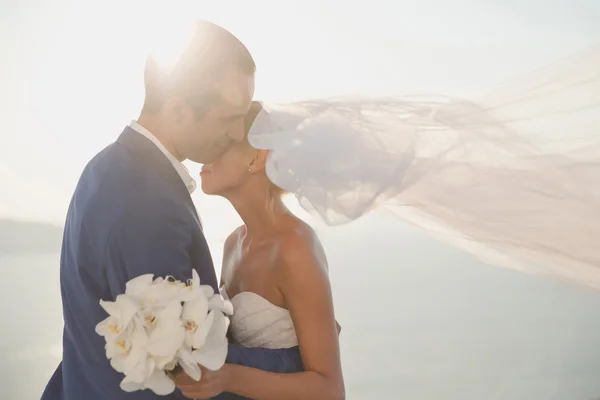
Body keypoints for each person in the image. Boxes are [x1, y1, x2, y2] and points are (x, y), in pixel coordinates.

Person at [41, 21, 303, 400]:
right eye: (229, 119)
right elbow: (184, 370)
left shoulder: (105, 167)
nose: (236, 134)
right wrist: (295, 360)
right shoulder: (148, 205)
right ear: (178, 110)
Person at [173, 102, 345, 400]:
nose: (202, 153)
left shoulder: (295, 248)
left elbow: (329, 390)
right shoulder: (233, 244)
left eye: (219, 144)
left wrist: (228, 377)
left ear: (257, 157)